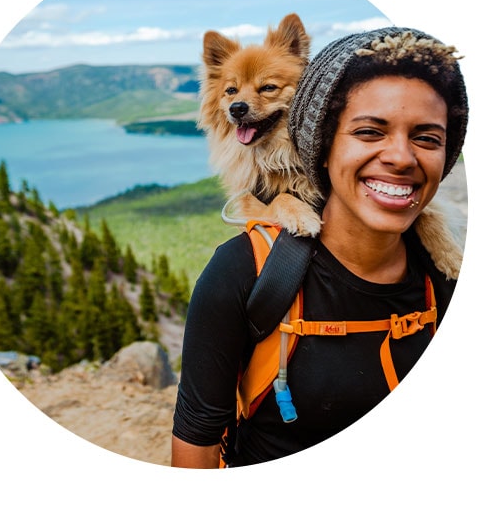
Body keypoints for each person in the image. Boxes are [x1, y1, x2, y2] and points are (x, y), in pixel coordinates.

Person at [171, 27, 469, 468]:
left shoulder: (441, 275)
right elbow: (197, 437)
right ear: (323, 140)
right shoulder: (241, 273)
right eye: (370, 132)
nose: (401, 157)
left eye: (427, 138)